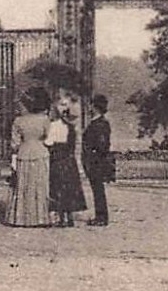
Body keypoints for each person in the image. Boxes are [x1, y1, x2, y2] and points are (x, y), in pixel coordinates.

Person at [6, 86, 53, 227]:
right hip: (40, 153)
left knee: (23, 186)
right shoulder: (45, 119)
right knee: (39, 186)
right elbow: (49, 139)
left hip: (24, 153)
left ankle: (21, 218)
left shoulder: (18, 121)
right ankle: (40, 217)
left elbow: (14, 143)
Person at [47, 89, 88, 228]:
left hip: (57, 159)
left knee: (58, 187)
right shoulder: (72, 128)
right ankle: (69, 217)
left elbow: (49, 143)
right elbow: (75, 146)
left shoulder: (52, 126)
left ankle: (61, 217)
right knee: (69, 188)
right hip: (69, 160)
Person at [81, 93, 115, 226]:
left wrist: (93, 153)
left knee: (98, 189)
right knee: (97, 189)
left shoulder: (99, 124)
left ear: (95, 106)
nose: (89, 107)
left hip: (96, 161)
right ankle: (100, 216)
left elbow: (102, 144)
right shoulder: (99, 122)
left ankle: (101, 217)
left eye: (91, 104)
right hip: (95, 160)